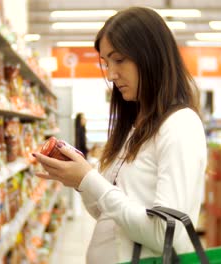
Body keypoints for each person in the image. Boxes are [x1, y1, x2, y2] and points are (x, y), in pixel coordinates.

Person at [33, 6, 207, 264]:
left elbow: (164, 234)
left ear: (150, 55)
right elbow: (108, 215)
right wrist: (79, 181)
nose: (112, 75)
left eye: (119, 60)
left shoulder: (180, 125)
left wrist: (90, 180)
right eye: (106, 63)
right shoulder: (136, 127)